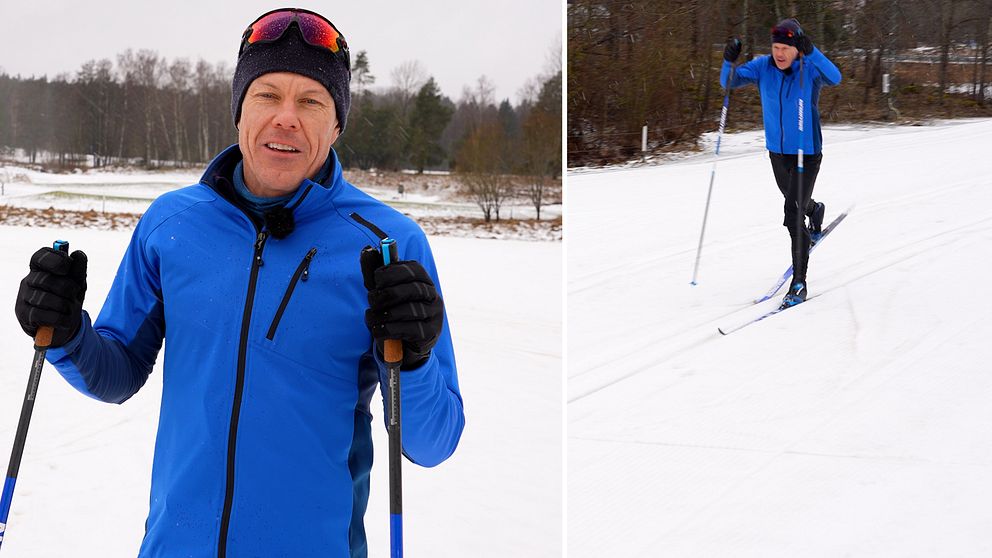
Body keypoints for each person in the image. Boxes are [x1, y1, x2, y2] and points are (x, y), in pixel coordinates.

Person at [13, 8, 464, 558]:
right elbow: (116, 372)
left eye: (311, 102)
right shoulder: (172, 224)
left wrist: (414, 361)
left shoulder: (387, 246)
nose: (286, 118)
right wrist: (65, 335)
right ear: (239, 110)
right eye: (267, 95)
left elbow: (433, 441)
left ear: (336, 125)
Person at [722, 18, 842, 308]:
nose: (779, 53)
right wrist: (728, 60)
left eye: (785, 48)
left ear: (797, 49)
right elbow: (729, 82)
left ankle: (799, 283)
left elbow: (835, 77)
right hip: (777, 152)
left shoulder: (809, 68)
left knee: (792, 214)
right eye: (776, 47)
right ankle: (815, 209)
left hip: (806, 153)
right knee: (793, 198)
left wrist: (812, 51)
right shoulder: (763, 67)